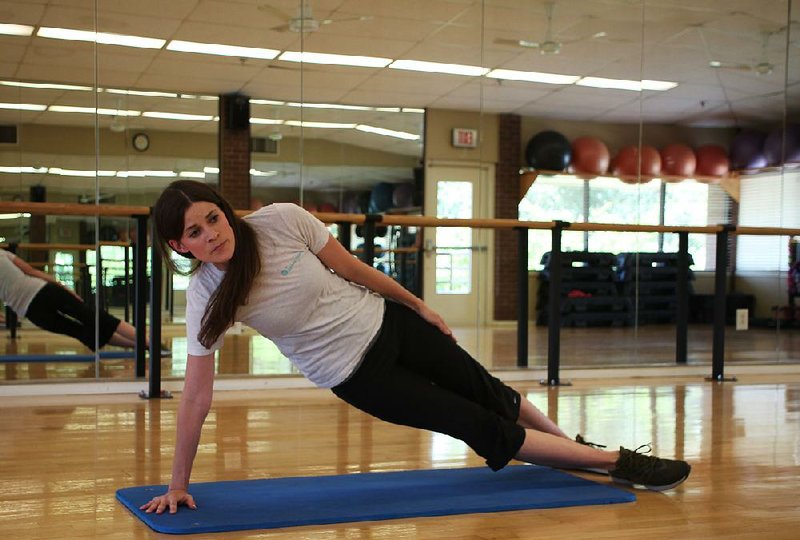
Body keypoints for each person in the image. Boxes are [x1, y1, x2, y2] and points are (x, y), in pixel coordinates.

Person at [142, 180, 691, 515]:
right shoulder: (207, 296)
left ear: (225, 209)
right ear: (178, 245)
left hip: (391, 323)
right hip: (357, 375)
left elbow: (355, 270)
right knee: (477, 424)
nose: (211, 233)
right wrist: (178, 484)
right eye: (194, 232)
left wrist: (419, 306)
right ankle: (618, 462)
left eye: (213, 217)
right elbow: (194, 397)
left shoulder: (282, 221)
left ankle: (576, 452)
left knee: (492, 393)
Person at [0, 248, 159, 352]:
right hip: (32, 307)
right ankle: (145, 345)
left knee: (95, 319)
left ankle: (149, 344)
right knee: (84, 331)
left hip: (40, 295)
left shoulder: (2, 253)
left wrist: (63, 287)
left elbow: (30, 271)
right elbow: (31, 270)